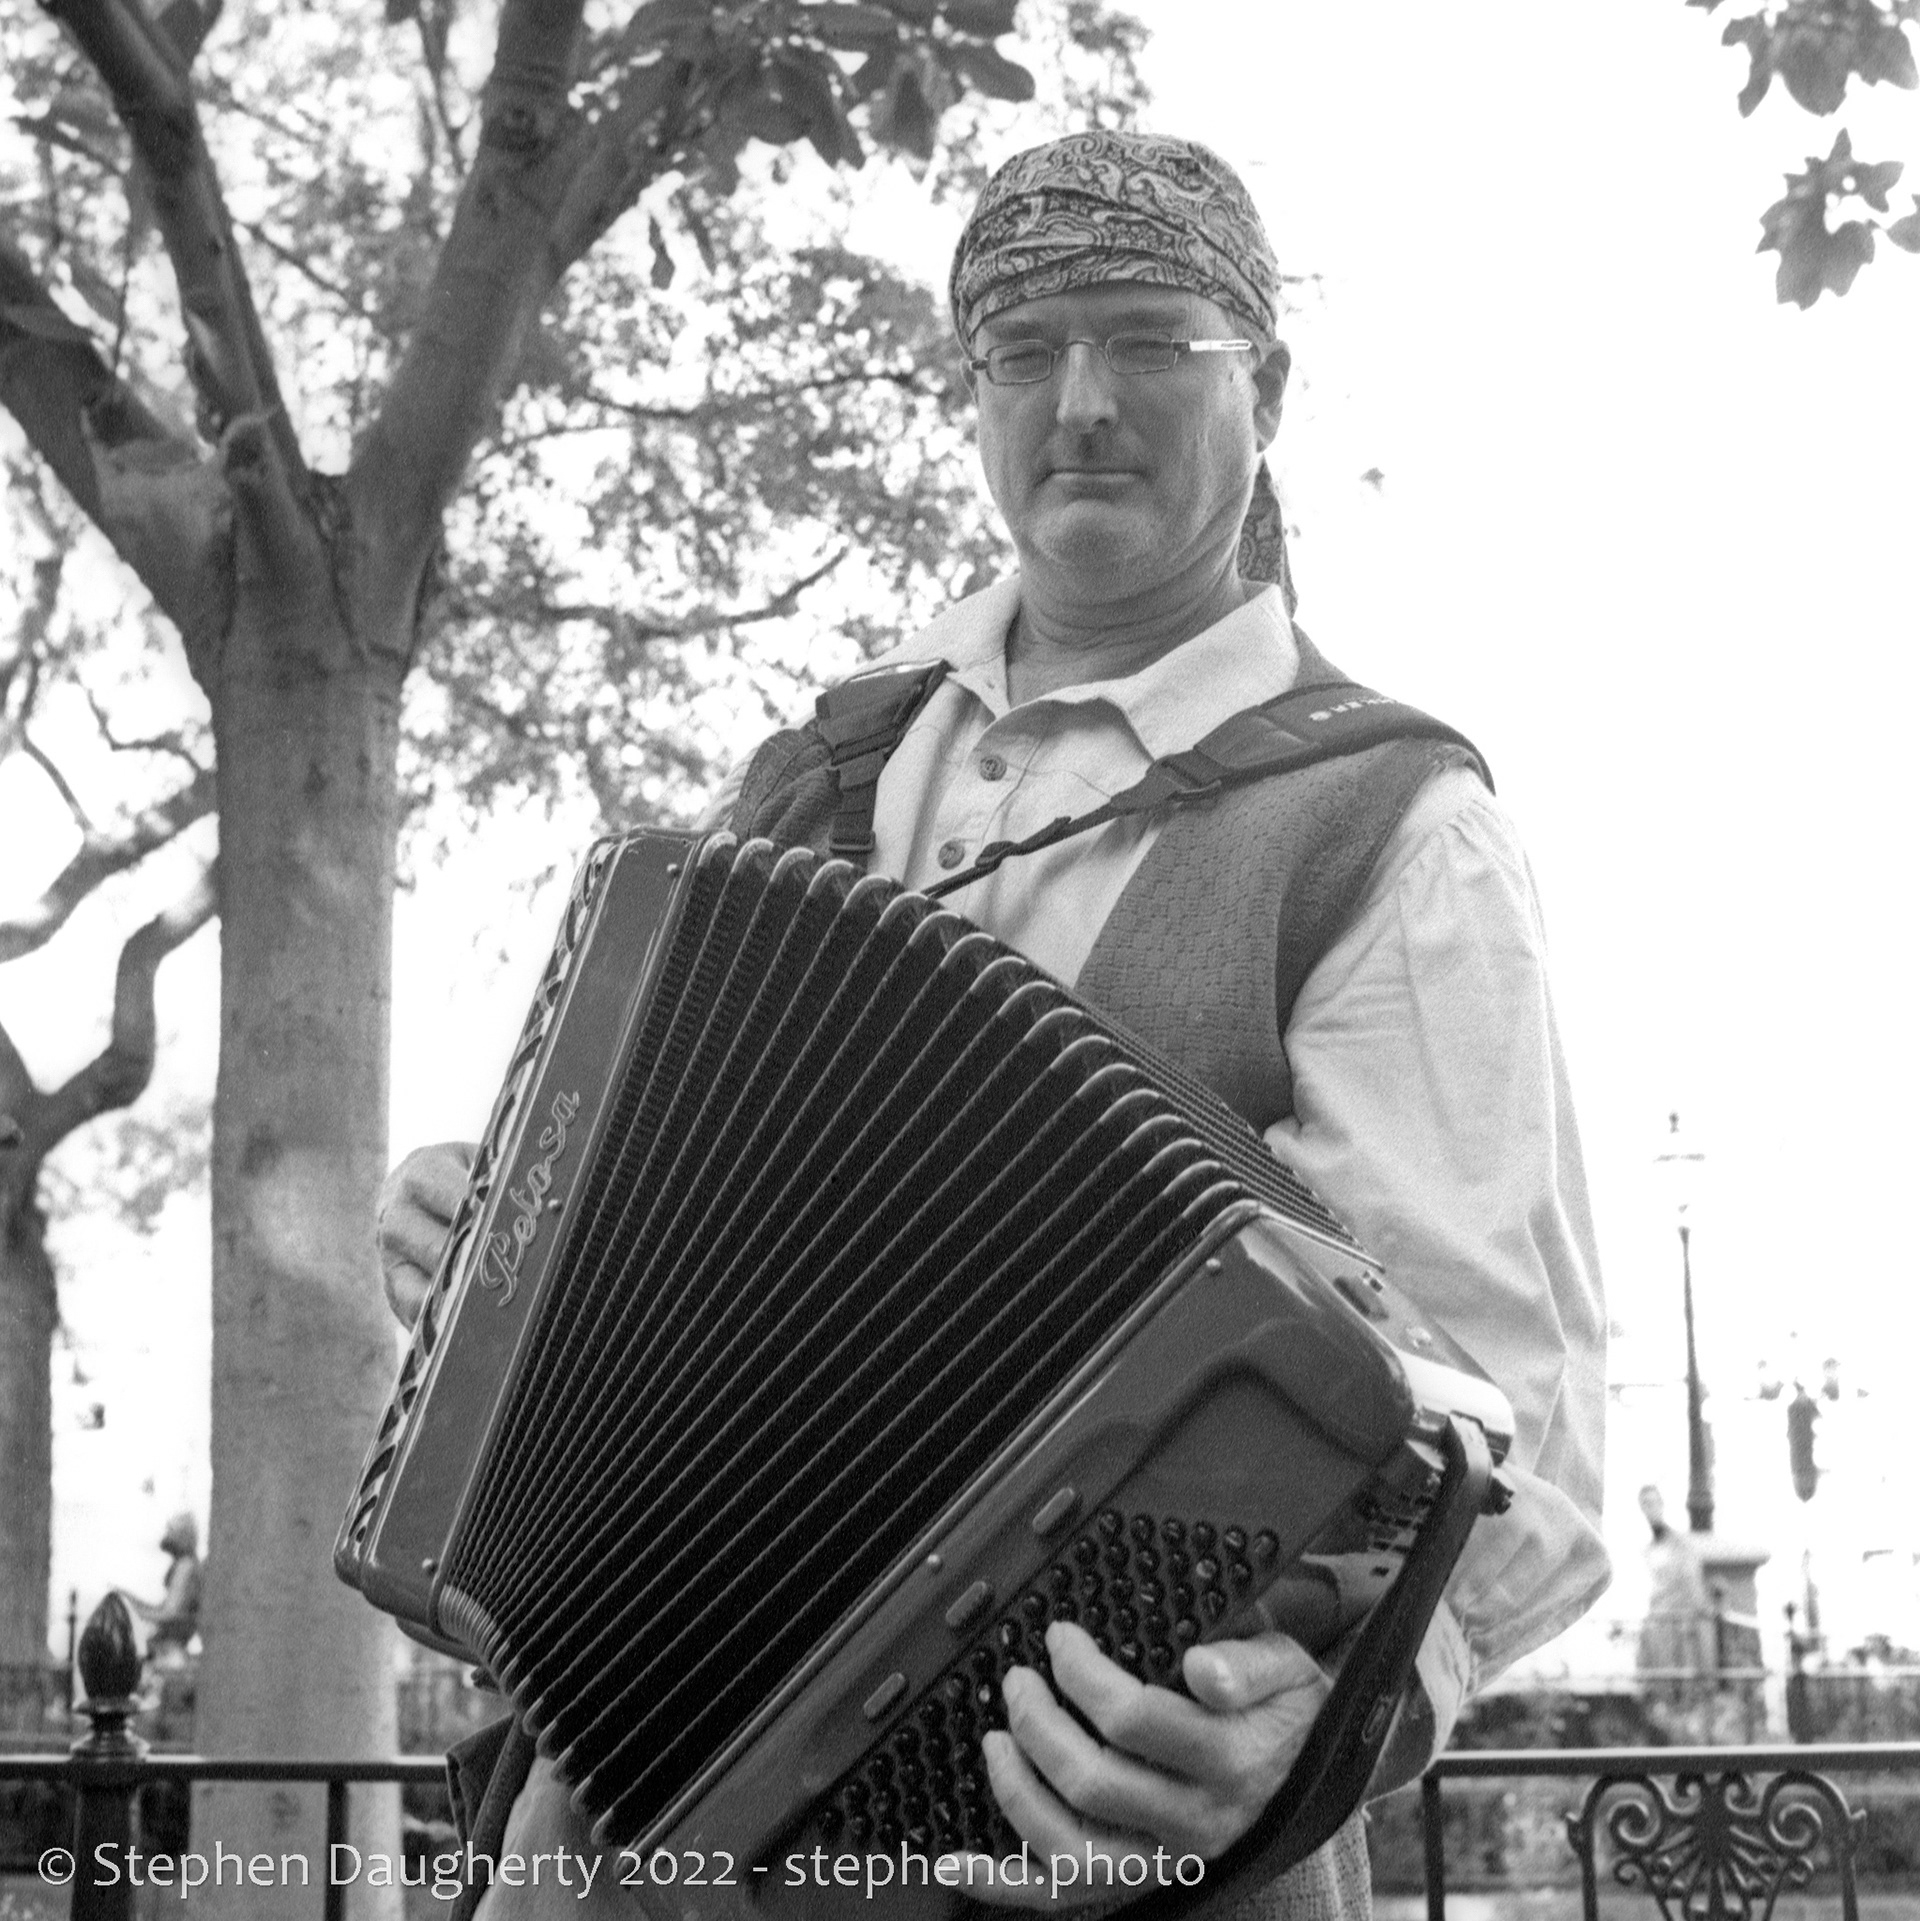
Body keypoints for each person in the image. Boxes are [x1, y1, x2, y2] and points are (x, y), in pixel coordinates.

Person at [379, 131, 1608, 1917]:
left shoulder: (1396, 831)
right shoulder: (824, 771)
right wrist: (489, 1234)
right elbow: (644, 1218)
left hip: (1103, 1847)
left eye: (1150, 341)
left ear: (1265, 387)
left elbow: (1506, 1417)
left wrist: (1335, 1705)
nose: (1082, 403)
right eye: (1025, 352)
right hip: (633, 1814)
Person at [1634, 1485, 1715, 1685]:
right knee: (1658, 1677)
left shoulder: (1680, 1544)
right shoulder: (1647, 1547)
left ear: (1661, 1504)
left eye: (1654, 1503)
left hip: (1679, 1620)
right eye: (1645, 1504)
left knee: (1683, 1675)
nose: (1650, 1509)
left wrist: (1696, 1612)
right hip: (1657, 1620)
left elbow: (1692, 1581)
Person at [121, 1510, 203, 1667]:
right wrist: (130, 1599)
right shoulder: (187, 1564)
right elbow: (166, 1609)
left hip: (169, 1648)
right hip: (168, 1645)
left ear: (182, 1535)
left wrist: (135, 1611)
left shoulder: (185, 1566)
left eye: (170, 1530)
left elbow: (169, 1613)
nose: (166, 1535)